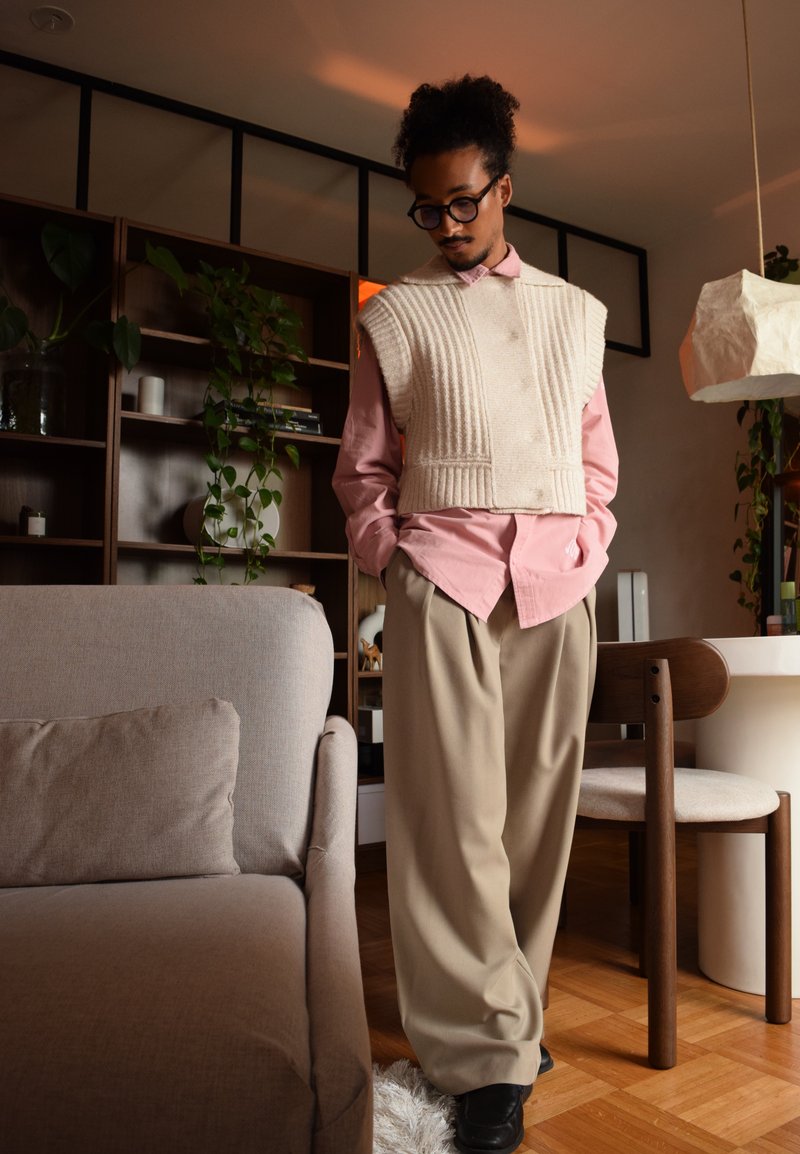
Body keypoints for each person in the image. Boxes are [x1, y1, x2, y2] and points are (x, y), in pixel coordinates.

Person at [333, 74, 618, 1154]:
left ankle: (511, 1012)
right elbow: (361, 472)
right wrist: (394, 556)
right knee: (446, 828)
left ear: (505, 187)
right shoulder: (393, 319)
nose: (447, 225)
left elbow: (597, 470)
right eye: (427, 208)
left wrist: (586, 548)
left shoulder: (575, 317)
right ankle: (481, 1062)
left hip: (554, 583)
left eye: (464, 201)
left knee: (534, 825)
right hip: (442, 576)